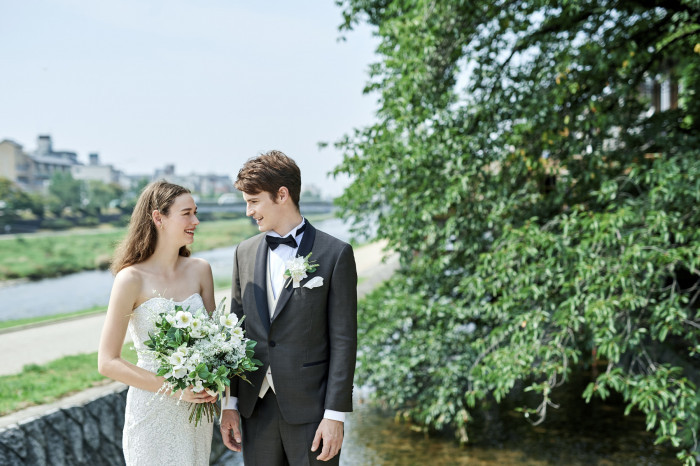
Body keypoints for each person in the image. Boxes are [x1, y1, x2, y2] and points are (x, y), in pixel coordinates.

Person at [219, 150, 358, 465]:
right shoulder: (243, 252)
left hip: (312, 413)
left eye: (253, 201)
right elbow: (235, 334)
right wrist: (230, 403)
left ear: (281, 195)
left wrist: (335, 415)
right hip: (256, 410)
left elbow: (344, 340)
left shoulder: (335, 254)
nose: (247, 211)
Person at [98, 180, 218, 466]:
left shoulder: (201, 270)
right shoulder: (130, 279)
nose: (196, 221)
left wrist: (214, 381)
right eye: (186, 213)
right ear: (158, 218)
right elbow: (107, 361)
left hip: (196, 415)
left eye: (196, 212)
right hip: (151, 413)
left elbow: (216, 344)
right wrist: (177, 389)